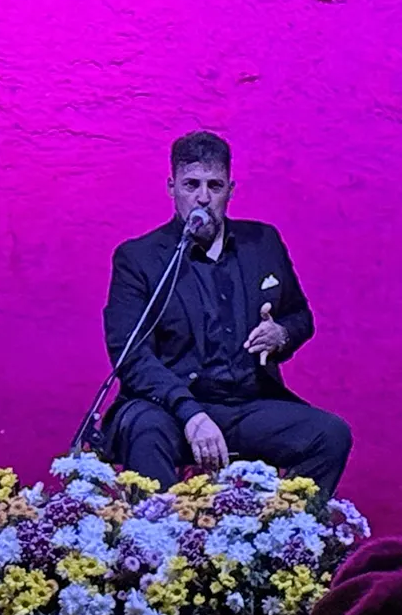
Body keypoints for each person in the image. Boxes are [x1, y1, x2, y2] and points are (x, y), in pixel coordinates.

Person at [101, 131, 352, 498]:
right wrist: (190, 413)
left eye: (214, 186)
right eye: (191, 185)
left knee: (329, 434)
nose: (203, 197)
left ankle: (278, 535)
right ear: (172, 187)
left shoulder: (262, 242)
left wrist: (281, 334)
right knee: (145, 429)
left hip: (246, 406)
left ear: (230, 190)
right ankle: (162, 546)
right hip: (170, 408)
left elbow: (301, 316)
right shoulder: (138, 258)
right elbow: (130, 356)